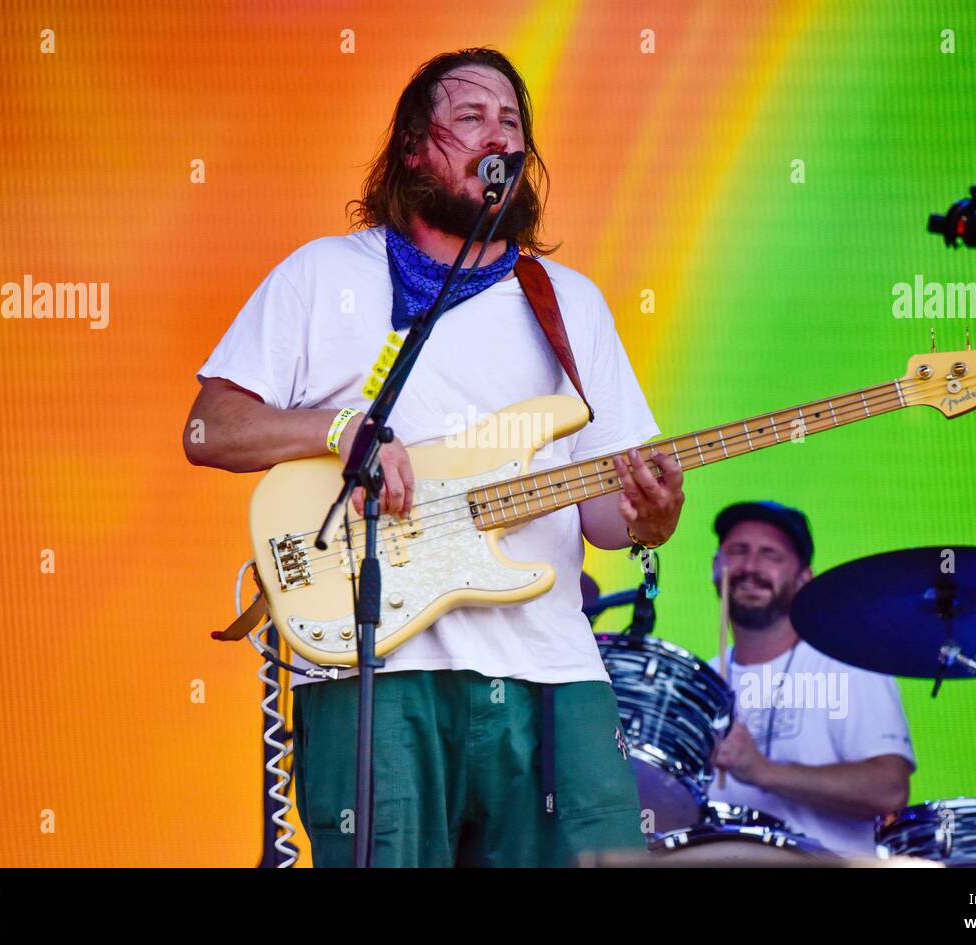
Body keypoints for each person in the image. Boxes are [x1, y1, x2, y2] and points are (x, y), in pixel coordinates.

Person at [184, 47, 685, 866]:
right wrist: (339, 429)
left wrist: (650, 517)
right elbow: (209, 428)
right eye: (471, 118)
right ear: (415, 147)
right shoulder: (322, 275)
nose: (499, 137)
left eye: (513, 123)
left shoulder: (570, 303)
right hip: (370, 668)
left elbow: (606, 514)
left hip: (550, 673)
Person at [707, 501, 914, 857]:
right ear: (715, 568)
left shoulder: (847, 664)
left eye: (770, 555)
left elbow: (890, 790)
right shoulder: (704, 681)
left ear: (806, 578)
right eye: (737, 551)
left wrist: (763, 771)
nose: (750, 566)